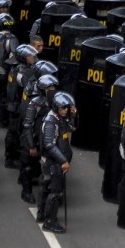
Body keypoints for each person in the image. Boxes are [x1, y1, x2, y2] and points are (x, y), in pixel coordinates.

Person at [38, 92, 76, 233]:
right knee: (55, 192)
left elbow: (72, 128)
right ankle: (49, 221)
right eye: (63, 107)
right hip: (52, 162)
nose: (66, 110)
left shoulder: (61, 118)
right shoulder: (50, 122)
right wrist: (63, 160)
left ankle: (42, 214)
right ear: (56, 107)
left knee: (47, 189)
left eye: (67, 107)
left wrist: (73, 115)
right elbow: (49, 145)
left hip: (56, 161)